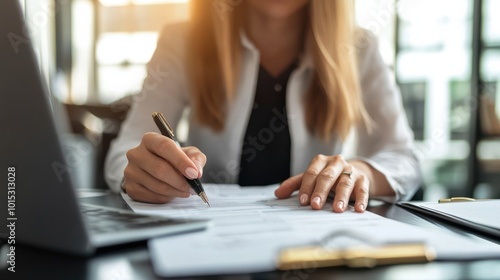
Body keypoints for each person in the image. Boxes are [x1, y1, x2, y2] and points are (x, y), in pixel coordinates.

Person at [105, 0, 421, 213]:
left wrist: (357, 172)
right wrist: (143, 173)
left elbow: (404, 159)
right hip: (209, 240)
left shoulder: (359, 47)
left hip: (317, 248)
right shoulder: (182, 41)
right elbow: (126, 151)